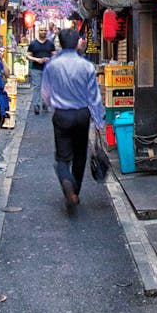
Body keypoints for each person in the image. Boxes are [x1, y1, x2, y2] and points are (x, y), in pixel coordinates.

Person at [41, 28, 105, 212]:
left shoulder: (52, 65)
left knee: (62, 157)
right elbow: (94, 97)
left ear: (60, 43)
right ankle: (75, 190)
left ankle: (66, 182)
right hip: (82, 115)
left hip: (62, 114)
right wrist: (99, 121)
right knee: (80, 155)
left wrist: (52, 104)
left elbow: (45, 93)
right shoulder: (87, 66)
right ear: (78, 42)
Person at [26, 26, 56, 115]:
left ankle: (45, 102)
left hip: (47, 69)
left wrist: (49, 59)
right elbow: (28, 56)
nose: (43, 32)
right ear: (38, 31)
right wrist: (36, 59)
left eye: (45, 30)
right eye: (41, 30)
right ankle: (36, 105)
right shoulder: (33, 43)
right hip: (36, 68)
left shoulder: (50, 43)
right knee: (37, 87)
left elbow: (54, 55)